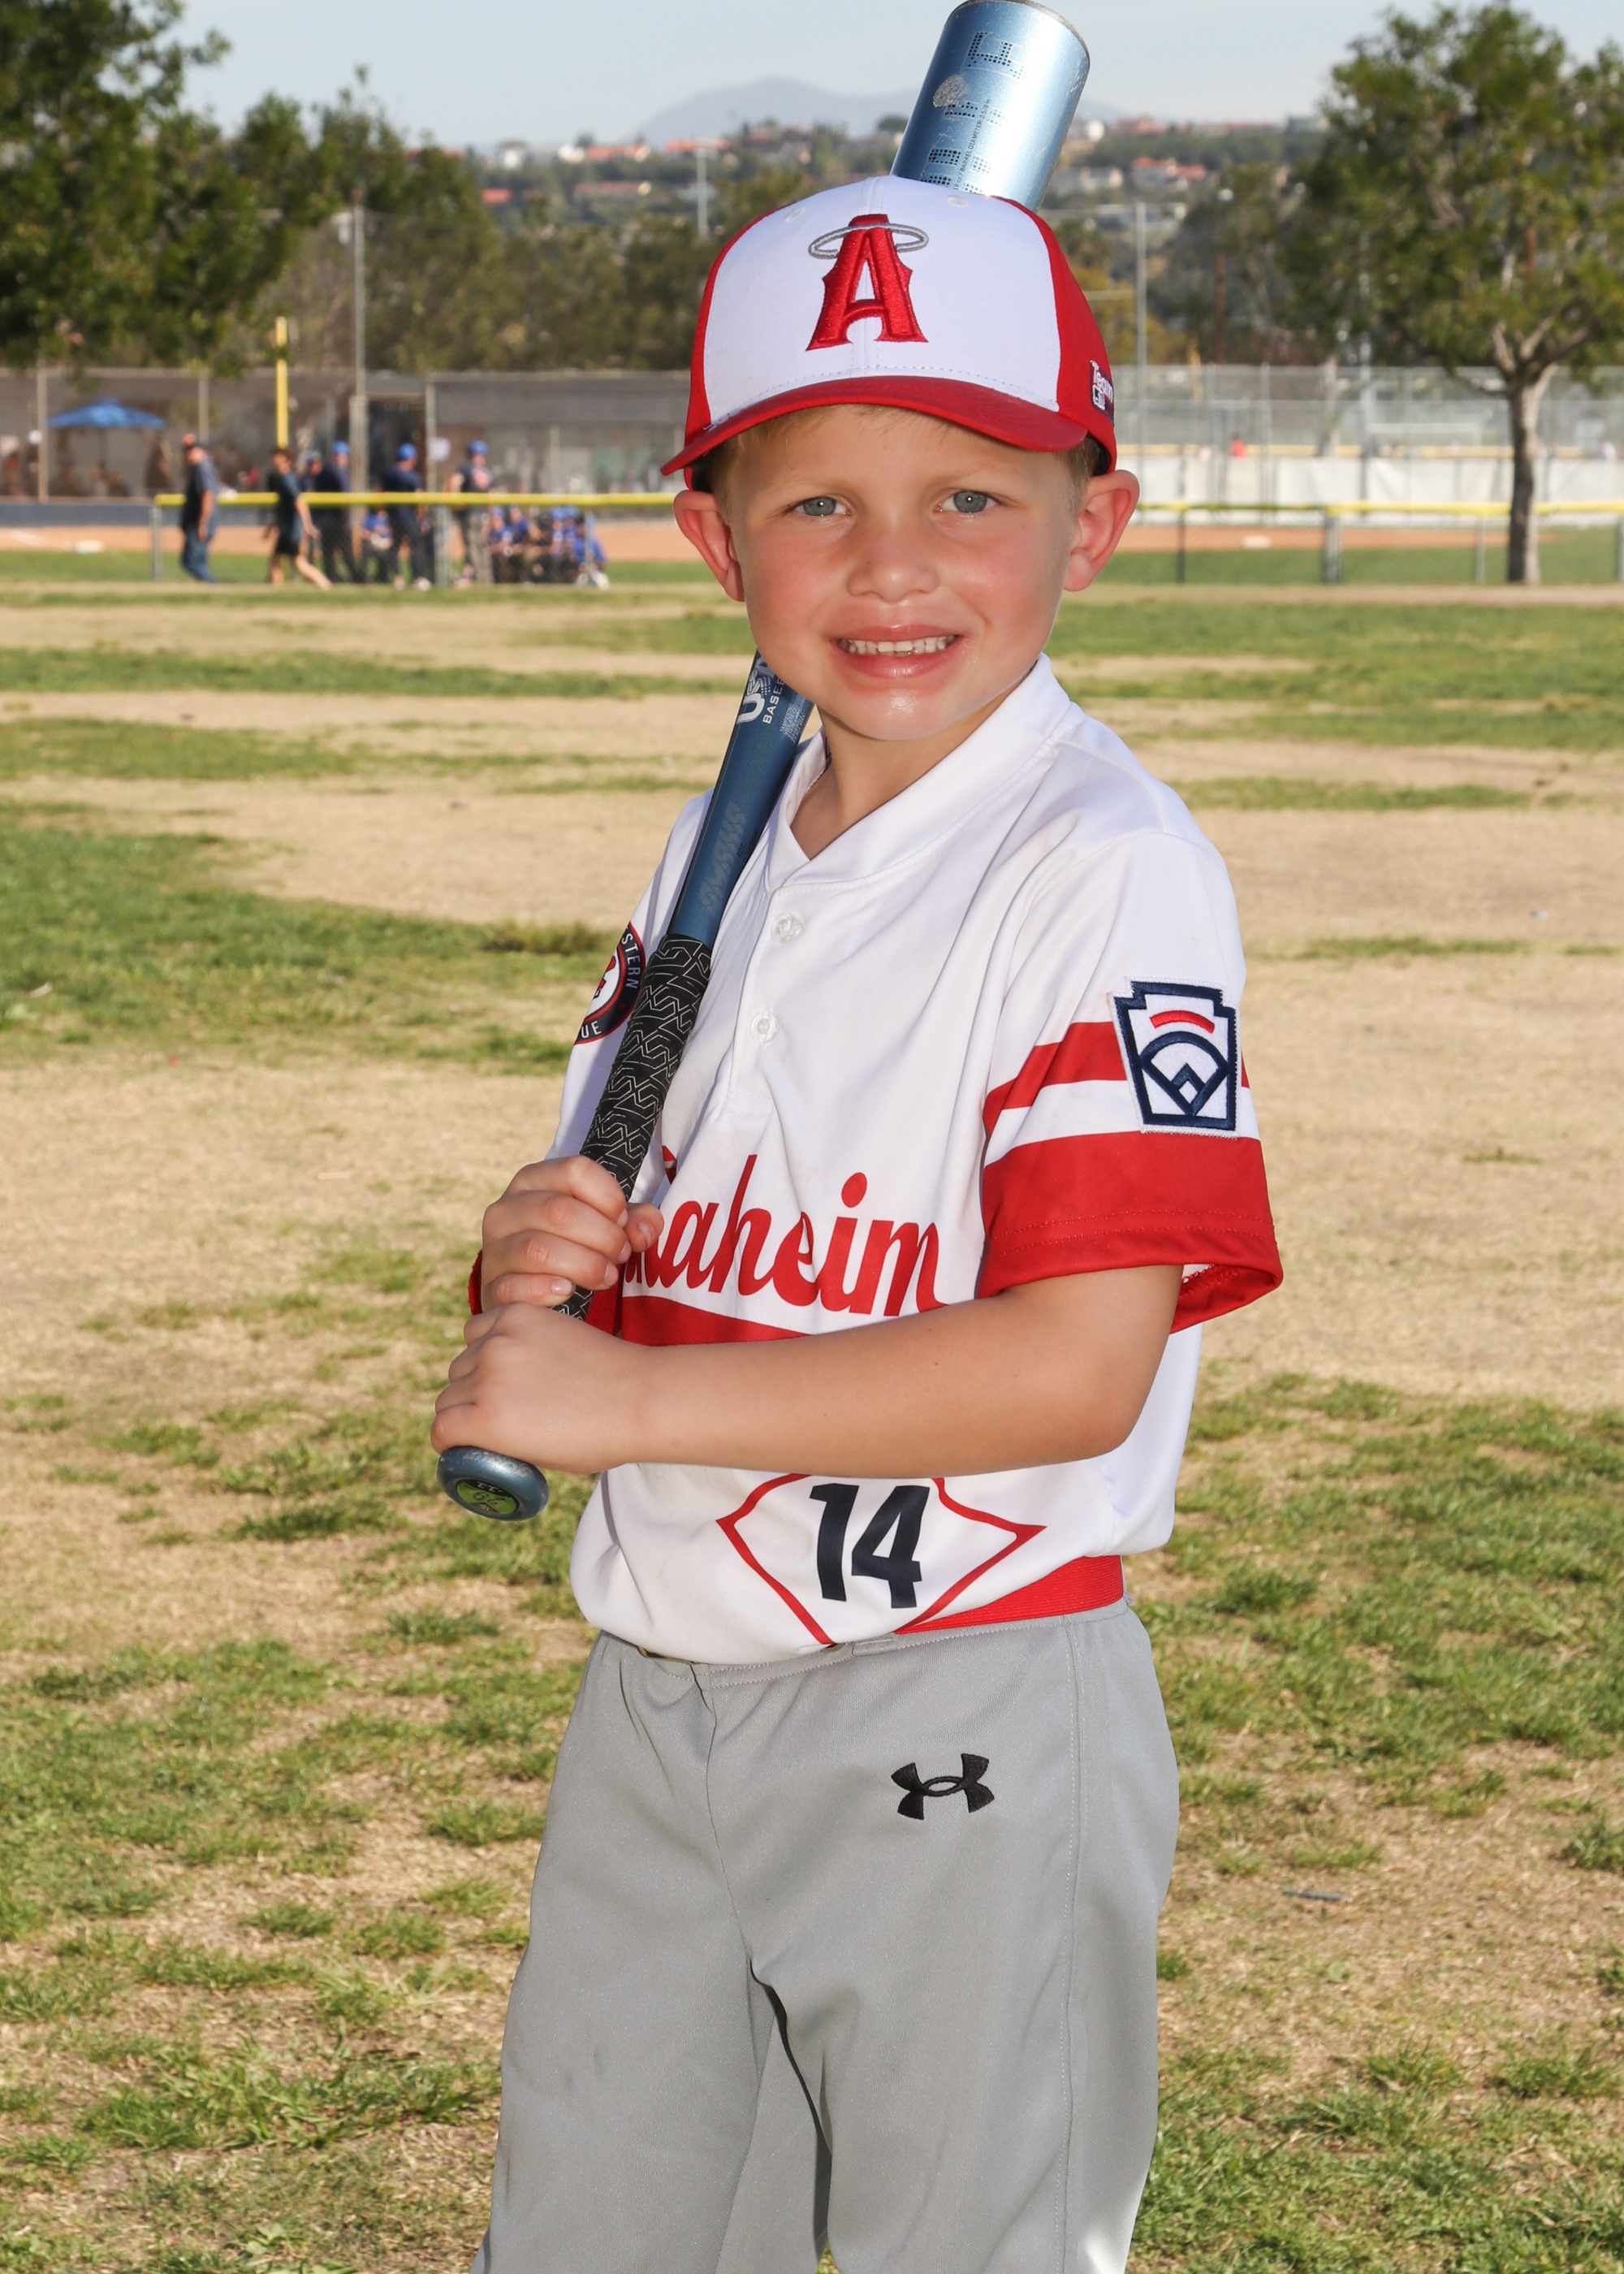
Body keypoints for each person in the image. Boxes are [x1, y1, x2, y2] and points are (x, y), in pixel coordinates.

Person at [434, 177, 1281, 2274]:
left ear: (1095, 522)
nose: (893, 565)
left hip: (962, 1681)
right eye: (817, 505)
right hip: (662, 1687)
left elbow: (1075, 1362)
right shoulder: (720, 849)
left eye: (970, 498)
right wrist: (545, 1251)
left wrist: (623, 1407)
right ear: (717, 543)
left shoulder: (1101, 863)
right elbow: (656, 1217)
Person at [265, 446, 330, 589]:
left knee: (298, 563)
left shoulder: (287, 478)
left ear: (287, 461)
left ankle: (324, 584)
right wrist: (271, 527)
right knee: (275, 559)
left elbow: (300, 502)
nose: (274, 460)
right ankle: (274, 587)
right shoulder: (280, 478)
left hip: (292, 530)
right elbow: (282, 509)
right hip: (286, 528)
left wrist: (307, 525)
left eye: (279, 458)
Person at [309, 439, 357, 583]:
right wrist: (345, 518)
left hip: (325, 519)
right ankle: (358, 578)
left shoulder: (326, 469)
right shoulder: (338, 470)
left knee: (328, 552)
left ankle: (332, 577)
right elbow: (345, 494)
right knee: (346, 551)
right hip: (337, 519)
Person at [450, 437, 495, 586]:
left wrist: (456, 502)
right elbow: (492, 495)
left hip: (470, 513)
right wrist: (491, 515)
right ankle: (486, 576)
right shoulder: (487, 471)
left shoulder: (466, 467)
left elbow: (455, 482)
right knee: (482, 546)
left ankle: (477, 576)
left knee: (472, 546)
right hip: (483, 513)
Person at [389, 439, 431, 588]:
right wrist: (421, 516)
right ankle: (418, 578)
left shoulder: (388, 473)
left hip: (393, 516)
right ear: (412, 459)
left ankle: (397, 578)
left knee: (395, 547)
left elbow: (380, 492)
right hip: (410, 517)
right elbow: (420, 497)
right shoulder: (413, 475)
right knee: (417, 546)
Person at [178, 433, 218, 583]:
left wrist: (202, 523)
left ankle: (216, 586)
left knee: (191, 562)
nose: (188, 453)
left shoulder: (202, 468)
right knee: (199, 562)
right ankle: (212, 588)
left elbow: (207, 496)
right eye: (186, 450)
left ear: (201, 450)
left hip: (199, 524)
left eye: (192, 449)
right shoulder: (202, 467)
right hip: (200, 523)